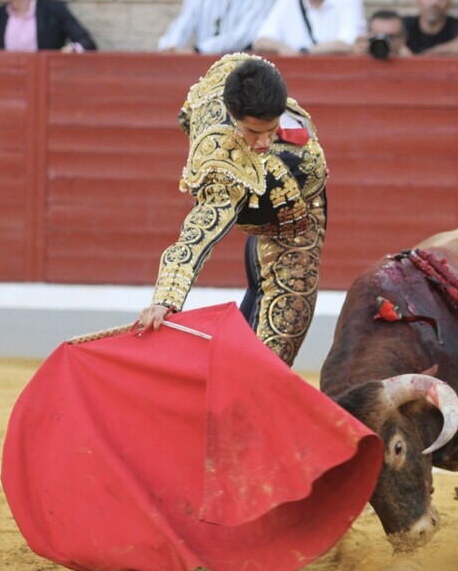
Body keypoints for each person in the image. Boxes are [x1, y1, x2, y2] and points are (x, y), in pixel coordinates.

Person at [139, 54, 327, 367]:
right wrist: (165, 300)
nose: (264, 141)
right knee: (266, 370)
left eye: (271, 128)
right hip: (262, 205)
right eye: (254, 132)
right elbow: (198, 234)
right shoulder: (224, 162)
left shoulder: (238, 75)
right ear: (231, 112)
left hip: (296, 227)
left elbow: (190, 111)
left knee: (267, 364)